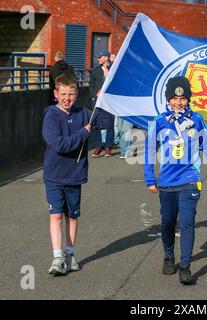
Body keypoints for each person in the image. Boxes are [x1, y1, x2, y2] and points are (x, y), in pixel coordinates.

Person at [144, 76, 207, 285]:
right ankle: (169, 256)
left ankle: (186, 267)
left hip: (190, 179)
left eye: (182, 99)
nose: (178, 103)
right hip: (167, 181)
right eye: (174, 98)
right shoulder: (159, 121)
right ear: (168, 99)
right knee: (168, 221)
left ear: (188, 99)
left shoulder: (197, 120)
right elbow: (150, 150)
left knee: (187, 222)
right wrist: (149, 176)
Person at [42, 73, 98, 276]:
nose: (67, 98)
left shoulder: (83, 113)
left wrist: (103, 100)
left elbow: (103, 121)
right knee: (56, 214)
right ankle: (57, 257)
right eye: (63, 94)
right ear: (56, 94)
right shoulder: (51, 116)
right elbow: (59, 145)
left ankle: (70, 254)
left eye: (71, 94)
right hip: (54, 175)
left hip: (74, 175)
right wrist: (83, 133)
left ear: (77, 94)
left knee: (71, 217)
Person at [89, 50, 115, 157]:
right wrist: (95, 94)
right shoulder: (95, 71)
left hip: (109, 101)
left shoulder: (113, 69)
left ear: (106, 58)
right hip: (97, 101)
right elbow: (91, 85)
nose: (98, 59)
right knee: (95, 123)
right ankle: (98, 147)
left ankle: (108, 147)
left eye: (100, 57)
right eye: (98, 57)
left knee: (109, 124)